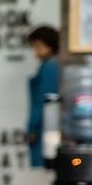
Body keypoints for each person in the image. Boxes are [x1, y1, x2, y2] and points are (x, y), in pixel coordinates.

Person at [26, 25, 61, 168]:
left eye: (38, 46)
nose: (36, 51)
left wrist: (32, 128)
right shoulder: (49, 65)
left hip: (44, 127)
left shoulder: (49, 67)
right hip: (46, 125)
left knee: (42, 168)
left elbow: (43, 101)